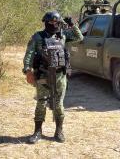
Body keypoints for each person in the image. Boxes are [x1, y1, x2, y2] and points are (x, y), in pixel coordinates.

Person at [23, 11, 83, 144]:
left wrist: (72, 25)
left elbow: (80, 38)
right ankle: (37, 132)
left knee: (59, 104)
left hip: (60, 76)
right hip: (43, 76)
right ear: (46, 22)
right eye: (52, 22)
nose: (55, 25)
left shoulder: (63, 35)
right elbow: (29, 54)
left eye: (57, 22)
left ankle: (59, 131)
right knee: (41, 103)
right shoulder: (38, 37)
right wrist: (27, 71)